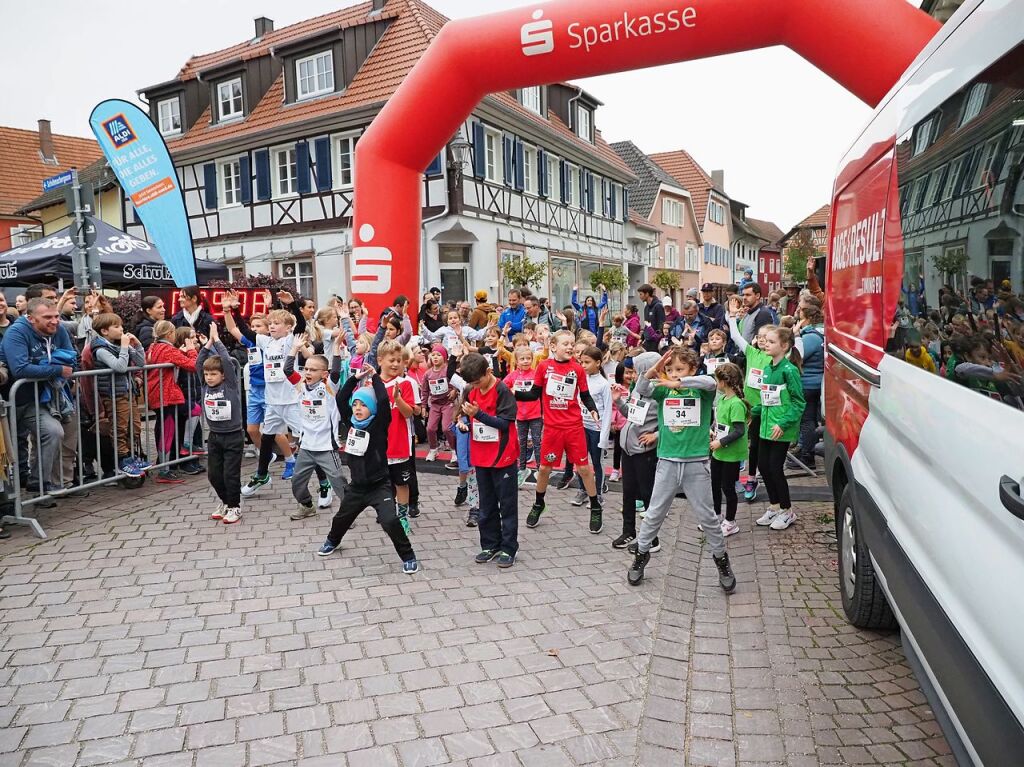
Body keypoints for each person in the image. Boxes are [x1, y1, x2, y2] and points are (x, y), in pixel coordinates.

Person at [626, 347, 736, 593]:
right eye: (670, 369)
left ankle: (722, 561)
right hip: (667, 461)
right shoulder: (663, 390)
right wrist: (654, 371)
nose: (673, 374)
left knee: (708, 517)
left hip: (696, 463)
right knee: (654, 514)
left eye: (679, 369)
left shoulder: (702, 390)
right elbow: (642, 389)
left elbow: (710, 382)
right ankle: (641, 556)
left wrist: (678, 382)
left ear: (692, 369)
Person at [317, 365, 420, 574]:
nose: (357, 408)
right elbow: (340, 399)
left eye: (363, 405)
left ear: (371, 409)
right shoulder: (352, 424)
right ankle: (332, 541)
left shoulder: (380, 424)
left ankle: (408, 556)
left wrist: (375, 378)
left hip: (379, 485)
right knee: (341, 519)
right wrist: (355, 378)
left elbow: (383, 401)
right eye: (355, 405)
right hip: (357, 488)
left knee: (390, 521)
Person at [514, 330, 603, 532]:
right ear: (553, 346)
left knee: (584, 469)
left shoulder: (578, 369)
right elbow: (533, 395)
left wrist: (593, 410)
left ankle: (596, 507)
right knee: (544, 469)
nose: (570, 347)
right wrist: (515, 394)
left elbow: (586, 396)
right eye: (565, 344)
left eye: (572, 344)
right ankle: (538, 503)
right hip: (552, 429)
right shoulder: (544, 367)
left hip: (573, 427)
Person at [0, 297, 77, 493]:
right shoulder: (17, 332)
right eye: (47, 317)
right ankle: (9, 498)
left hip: (36, 399)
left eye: (56, 316)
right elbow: (20, 368)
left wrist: (53, 366)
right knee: (11, 448)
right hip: (9, 399)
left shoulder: (58, 329)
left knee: (53, 432)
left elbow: (72, 358)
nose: (54, 321)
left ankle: (39, 482)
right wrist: (57, 369)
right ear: (31, 318)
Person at [460, 353, 520, 568]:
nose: (475, 386)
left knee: (507, 504)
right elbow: (465, 414)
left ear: (488, 372)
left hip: (503, 457)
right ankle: (490, 544)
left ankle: (509, 547)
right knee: (485, 505)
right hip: (481, 455)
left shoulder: (503, 391)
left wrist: (478, 415)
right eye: (471, 383)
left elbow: (504, 423)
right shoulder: (470, 390)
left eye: (478, 381)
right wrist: (464, 422)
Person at [241, 310, 306, 494]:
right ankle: (262, 475)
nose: (272, 326)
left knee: (308, 438)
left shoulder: (289, 341)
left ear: (287, 328)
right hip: (272, 402)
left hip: (291, 401)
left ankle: (325, 481)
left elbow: (300, 325)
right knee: (267, 437)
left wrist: (292, 305)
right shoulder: (266, 342)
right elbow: (246, 332)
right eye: (270, 323)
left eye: (277, 323)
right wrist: (235, 310)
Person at [753, 327, 806, 531]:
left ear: (784, 346)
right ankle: (774, 506)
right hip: (766, 427)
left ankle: (787, 510)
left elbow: (798, 402)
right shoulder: (767, 369)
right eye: (765, 341)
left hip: (780, 429)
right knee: (763, 466)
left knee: (775, 468)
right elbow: (767, 400)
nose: (766, 344)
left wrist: (783, 423)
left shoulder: (789, 370)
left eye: (771, 341)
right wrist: (752, 412)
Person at [285, 344, 345, 522]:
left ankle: (347, 514)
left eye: (313, 370)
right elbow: (287, 369)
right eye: (306, 369)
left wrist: (335, 351)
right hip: (307, 446)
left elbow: (335, 372)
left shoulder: (329, 388)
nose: (308, 373)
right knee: (297, 482)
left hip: (326, 447)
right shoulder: (301, 386)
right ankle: (307, 506)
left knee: (338, 482)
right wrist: (294, 349)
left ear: (323, 374)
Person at [609, 353, 660, 548]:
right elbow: (632, 415)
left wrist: (656, 436)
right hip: (628, 449)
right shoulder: (637, 390)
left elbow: (670, 423)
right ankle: (628, 531)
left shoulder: (658, 392)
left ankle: (652, 539)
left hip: (645, 451)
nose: (633, 374)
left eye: (638, 370)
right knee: (628, 492)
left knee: (648, 494)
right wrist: (619, 401)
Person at [726, 299, 775, 502]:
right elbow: (735, 335)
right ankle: (751, 478)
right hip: (751, 408)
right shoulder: (751, 352)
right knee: (752, 445)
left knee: (764, 447)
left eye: (767, 338)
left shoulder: (776, 358)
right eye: (760, 337)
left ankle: (767, 478)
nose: (762, 340)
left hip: (769, 410)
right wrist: (731, 317)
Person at [89, 313, 148, 478]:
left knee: (135, 426)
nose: (121, 329)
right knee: (120, 428)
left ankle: (130, 457)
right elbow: (120, 367)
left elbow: (142, 363)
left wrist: (137, 345)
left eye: (121, 325)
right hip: (114, 394)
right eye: (116, 326)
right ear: (105, 331)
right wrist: (124, 347)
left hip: (129, 392)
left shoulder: (119, 344)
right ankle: (122, 460)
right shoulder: (100, 349)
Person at [197, 324, 244, 525]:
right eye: (207, 375)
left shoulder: (230, 384)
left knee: (230, 475)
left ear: (223, 375)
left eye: (213, 374)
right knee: (214, 475)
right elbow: (200, 363)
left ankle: (234, 506)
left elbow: (225, 360)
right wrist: (207, 344)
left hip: (233, 436)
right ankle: (225, 502)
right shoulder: (204, 385)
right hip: (215, 436)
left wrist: (217, 340)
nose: (209, 377)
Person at [145, 320, 198, 484]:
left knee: (191, 412)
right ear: (169, 334)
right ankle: (165, 469)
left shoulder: (153, 347)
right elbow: (193, 365)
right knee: (167, 431)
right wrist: (191, 350)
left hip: (158, 393)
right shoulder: (167, 349)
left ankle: (170, 458)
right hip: (165, 395)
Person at [710, 363, 750, 538]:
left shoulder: (736, 404)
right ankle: (716, 515)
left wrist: (721, 442)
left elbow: (739, 431)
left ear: (723, 382)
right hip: (718, 452)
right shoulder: (722, 400)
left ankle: (731, 521)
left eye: (716, 380)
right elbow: (720, 422)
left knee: (728, 487)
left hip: (731, 454)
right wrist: (713, 431)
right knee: (714, 484)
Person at [504, 345, 542, 487]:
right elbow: (502, 386)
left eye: (528, 358)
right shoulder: (513, 375)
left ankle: (539, 470)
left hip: (535, 414)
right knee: (522, 442)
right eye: (522, 359)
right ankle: (522, 469)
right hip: (520, 415)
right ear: (517, 361)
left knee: (538, 442)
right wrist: (511, 391)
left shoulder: (535, 373)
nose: (526, 361)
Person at [795, 306, 825, 468]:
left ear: (806, 319)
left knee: (806, 421)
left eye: (799, 317)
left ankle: (807, 455)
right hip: (817, 382)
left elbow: (797, 356)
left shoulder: (811, 337)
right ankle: (808, 451)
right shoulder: (822, 333)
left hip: (807, 383)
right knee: (812, 420)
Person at [422, 345, 457, 462]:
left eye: (439, 355)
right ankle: (433, 449)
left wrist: (454, 391)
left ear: (445, 357)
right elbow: (425, 391)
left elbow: (457, 383)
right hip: (435, 404)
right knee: (430, 428)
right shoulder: (427, 374)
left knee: (447, 428)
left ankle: (454, 450)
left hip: (448, 403)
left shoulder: (448, 370)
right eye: (433, 355)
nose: (435, 357)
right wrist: (423, 406)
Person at [637, 284, 665, 353]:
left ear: (647, 294)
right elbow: (647, 324)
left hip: (655, 342)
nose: (639, 296)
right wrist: (642, 338)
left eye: (641, 294)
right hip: (647, 340)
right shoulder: (646, 307)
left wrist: (658, 338)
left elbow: (661, 324)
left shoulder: (658, 306)